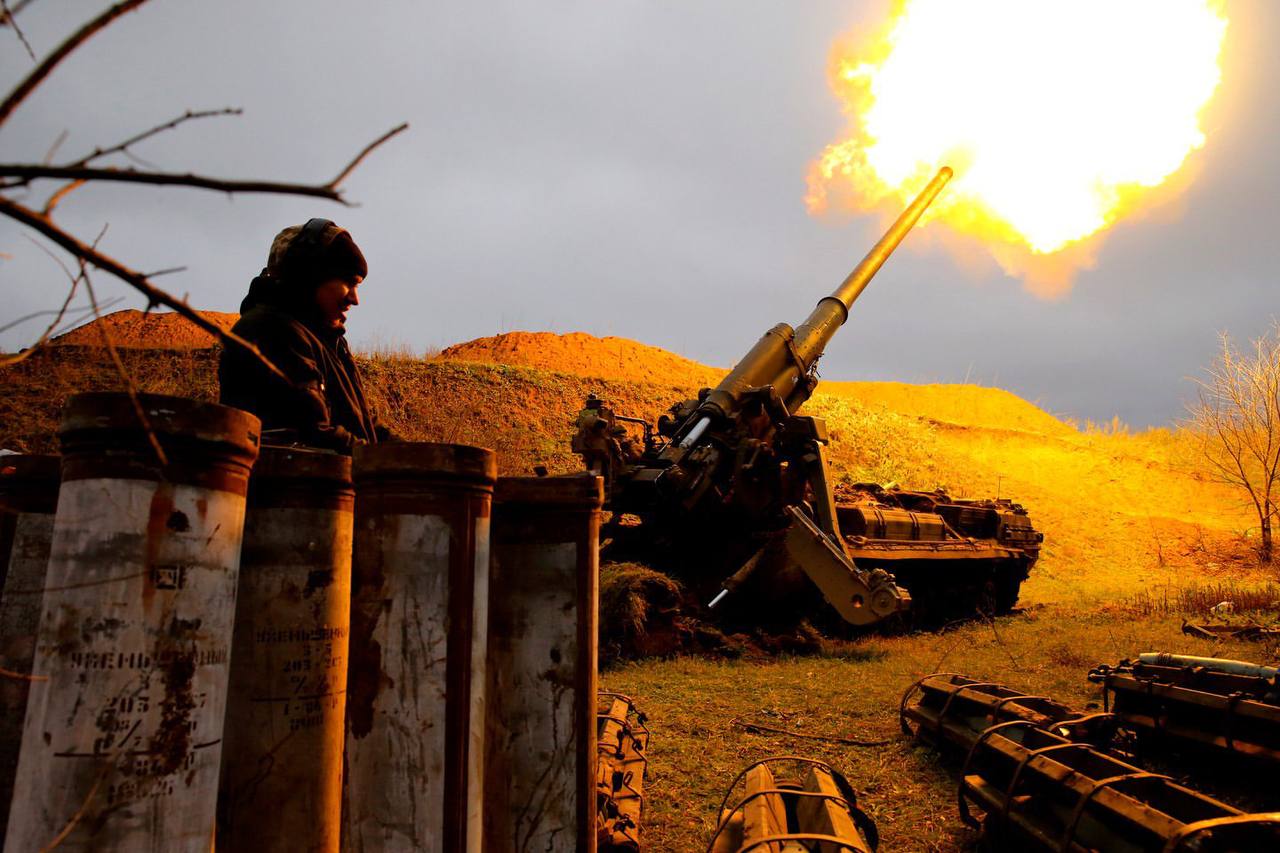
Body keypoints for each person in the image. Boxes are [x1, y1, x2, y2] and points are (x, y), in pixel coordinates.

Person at [219, 218, 396, 453]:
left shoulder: (327, 340)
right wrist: (379, 461)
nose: (355, 299)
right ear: (310, 276)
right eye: (348, 283)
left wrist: (411, 454)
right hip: (288, 477)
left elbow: (360, 421)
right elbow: (313, 433)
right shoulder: (273, 331)